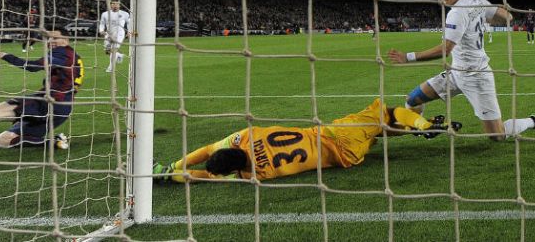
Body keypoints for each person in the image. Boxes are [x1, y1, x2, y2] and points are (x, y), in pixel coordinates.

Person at [387, 0, 535, 142]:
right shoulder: (478, 2)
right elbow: (508, 17)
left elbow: (445, 50)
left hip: (477, 77)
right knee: (413, 99)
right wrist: (485, 17)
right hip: (456, 73)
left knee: (497, 135)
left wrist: (408, 57)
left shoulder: (457, 13)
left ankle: (533, 121)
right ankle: (423, 126)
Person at [152, 98, 462, 183]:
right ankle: (423, 125)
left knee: (379, 130)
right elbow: (209, 150)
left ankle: (418, 130)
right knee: (387, 112)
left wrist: (173, 175)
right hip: (334, 135)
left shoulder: (256, 174)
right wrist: (176, 164)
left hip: (347, 159)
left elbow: (207, 175)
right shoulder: (248, 136)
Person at [0, 31, 84, 148]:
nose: (50, 41)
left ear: (66, 40)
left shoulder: (62, 52)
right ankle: (55, 142)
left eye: (55, 38)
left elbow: (33, 66)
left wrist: (6, 56)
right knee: (2, 141)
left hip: (48, 103)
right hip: (61, 110)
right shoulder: (73, 55)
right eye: (48, 38)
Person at [99, 0, 131, 72]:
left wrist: (129, 32)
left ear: (119, 5)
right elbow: (102, 23)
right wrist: (101, 30)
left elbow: (129, 23)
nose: (115, 5)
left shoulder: (125, 14)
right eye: (113, 4)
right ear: (110, 5)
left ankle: (111, 67)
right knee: (107, 51)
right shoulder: (105, 14)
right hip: (109, 34)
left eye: (117, 4)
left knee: (114, 49)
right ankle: (119, 55)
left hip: (119, 34)